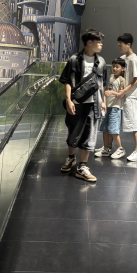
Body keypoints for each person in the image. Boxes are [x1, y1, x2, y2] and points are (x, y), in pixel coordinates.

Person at [59, 29, 109, 182]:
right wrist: (68, 100)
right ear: (89, 42)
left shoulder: (101, 62)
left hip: (94, 104)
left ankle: (82, 166)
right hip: (76, 103)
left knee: (90, 135)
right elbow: (67, 81)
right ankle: (71, 158)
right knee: (73, 132)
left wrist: (104, 102)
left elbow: (104, 84)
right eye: (98, 42)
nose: (101, 45)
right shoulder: (74, 60)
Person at [117, 33, 137, 161]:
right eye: (118, 44)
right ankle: (111, 147)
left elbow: (136, 79)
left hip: (130, 96)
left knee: (134, 124)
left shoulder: (134, 59)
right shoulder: (123, 58)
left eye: (121, 45)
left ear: (129, 44)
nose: (119, 47)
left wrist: (125, 91)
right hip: (122, 95)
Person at [94, 58, 127, 159]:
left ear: (123, 68)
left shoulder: (122, 80)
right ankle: (106, 148)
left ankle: (120, 148)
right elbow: (104, 90)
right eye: (113, 66)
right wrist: (103, 102)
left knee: (113, 129)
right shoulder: (110, 77)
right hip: (107, 107)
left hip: (115, 108)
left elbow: (121, 94)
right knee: (104, 128)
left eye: (117, 67)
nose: (115, 69)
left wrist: (112, 92)